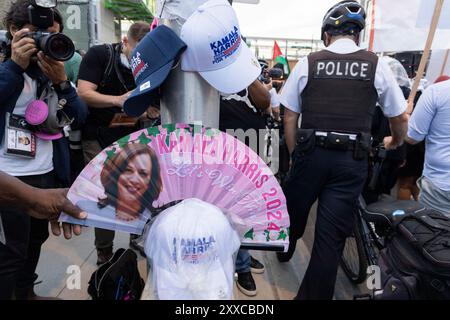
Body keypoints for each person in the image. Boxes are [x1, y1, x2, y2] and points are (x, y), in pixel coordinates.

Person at [279, 1, 408, 299]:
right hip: (351, 161)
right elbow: (399, 117)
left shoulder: (309, 62)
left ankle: (286, 245)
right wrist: (396, 142)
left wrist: (296, 152)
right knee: (329, 242)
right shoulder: (376, 65)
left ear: (326, 35)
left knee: (292, 212)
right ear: (357, 36)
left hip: (311, 154)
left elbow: (289, 115)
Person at [0, 0, 87, 300]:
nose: (46, 42)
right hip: (6, 177)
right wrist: (14, 67)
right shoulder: (4, 66)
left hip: (44, 171)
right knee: (8, 251)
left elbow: (79, 115)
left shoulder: (51, 71)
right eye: (40, 34)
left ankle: (26, 293)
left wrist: (62, 83)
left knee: (35, 241)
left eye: (54, 35)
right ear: (14, 30)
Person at [77, 21, 152, 264]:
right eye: (136, 53)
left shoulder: (150, 63)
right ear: (124, 42)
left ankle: (135, 239)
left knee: (138, 190)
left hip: (131, 136)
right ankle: (104, 251)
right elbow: (84, 93)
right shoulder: (100, 55)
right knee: (104, 194)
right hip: (97, 135)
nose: (140, 59)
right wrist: (118, 100)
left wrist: (148, 111)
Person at [219, 79, 270, 297]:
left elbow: (265, 103)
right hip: (214, 155)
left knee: (243, 213)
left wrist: (247, 76)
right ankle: (240, 263)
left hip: (248, 154)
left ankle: (243, 259)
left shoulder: (244, 78)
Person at [75, 143, 163, 234]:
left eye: (143, 174)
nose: (134, 179)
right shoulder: (89, 208)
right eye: (128, 170)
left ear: (151, 180)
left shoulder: (154, 216)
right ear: (115, 174)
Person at [405, 76, 450, 216]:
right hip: (440, 184)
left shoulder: (437, 91)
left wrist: (406, 116)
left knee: (435, 233)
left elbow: (412, 137)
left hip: (440, 184)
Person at [0, 171, 86, 237]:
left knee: (37, 239)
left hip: (46, 170)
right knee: (12, 251)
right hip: (8, 173)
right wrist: (35, 196)